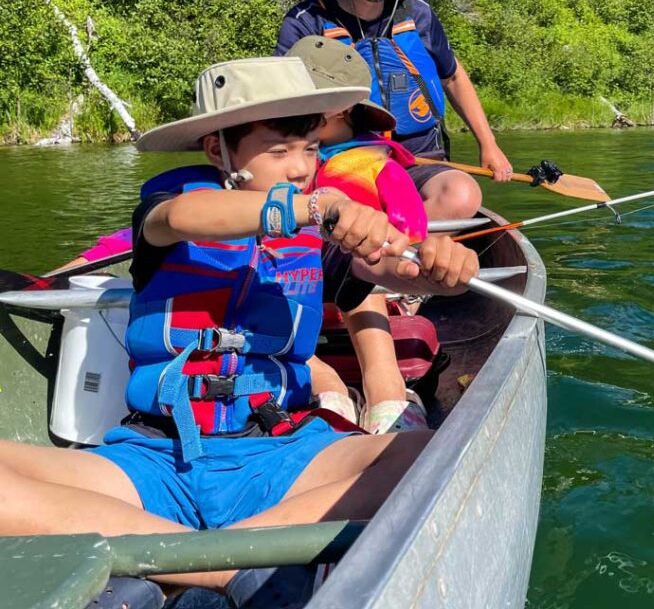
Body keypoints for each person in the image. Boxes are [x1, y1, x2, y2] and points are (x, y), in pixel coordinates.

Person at [0, 57, 478, 607]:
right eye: (279, 150)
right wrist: (307, 208)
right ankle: (234, 569)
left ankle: (176, 559)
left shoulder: (319, 233)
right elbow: (181, 220)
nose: (301, 167)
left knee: (425, 455)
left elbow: (391, 270)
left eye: (311, 148)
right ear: (216, 150)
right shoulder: (166, 210)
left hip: (279, 453)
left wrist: (442, 269)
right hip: (158, 458)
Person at [274, 0, 514, 220]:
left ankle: (387, 248)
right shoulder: (306, 21)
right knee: (344, 206)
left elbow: (453, 77)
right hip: (342, 160)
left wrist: (489, 144)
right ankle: (384, 249)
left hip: (420, 160)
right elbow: (278, 105)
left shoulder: (418, 14)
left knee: (463, 194)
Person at [290, 34, 432, 434]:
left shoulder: (369, 159)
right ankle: (328, 386)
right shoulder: (267, 155)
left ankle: (386, 390)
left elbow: (408, 220)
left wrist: (407, 247)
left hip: (354, 261)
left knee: (360, 270)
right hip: (289, 268)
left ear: (345, 108)